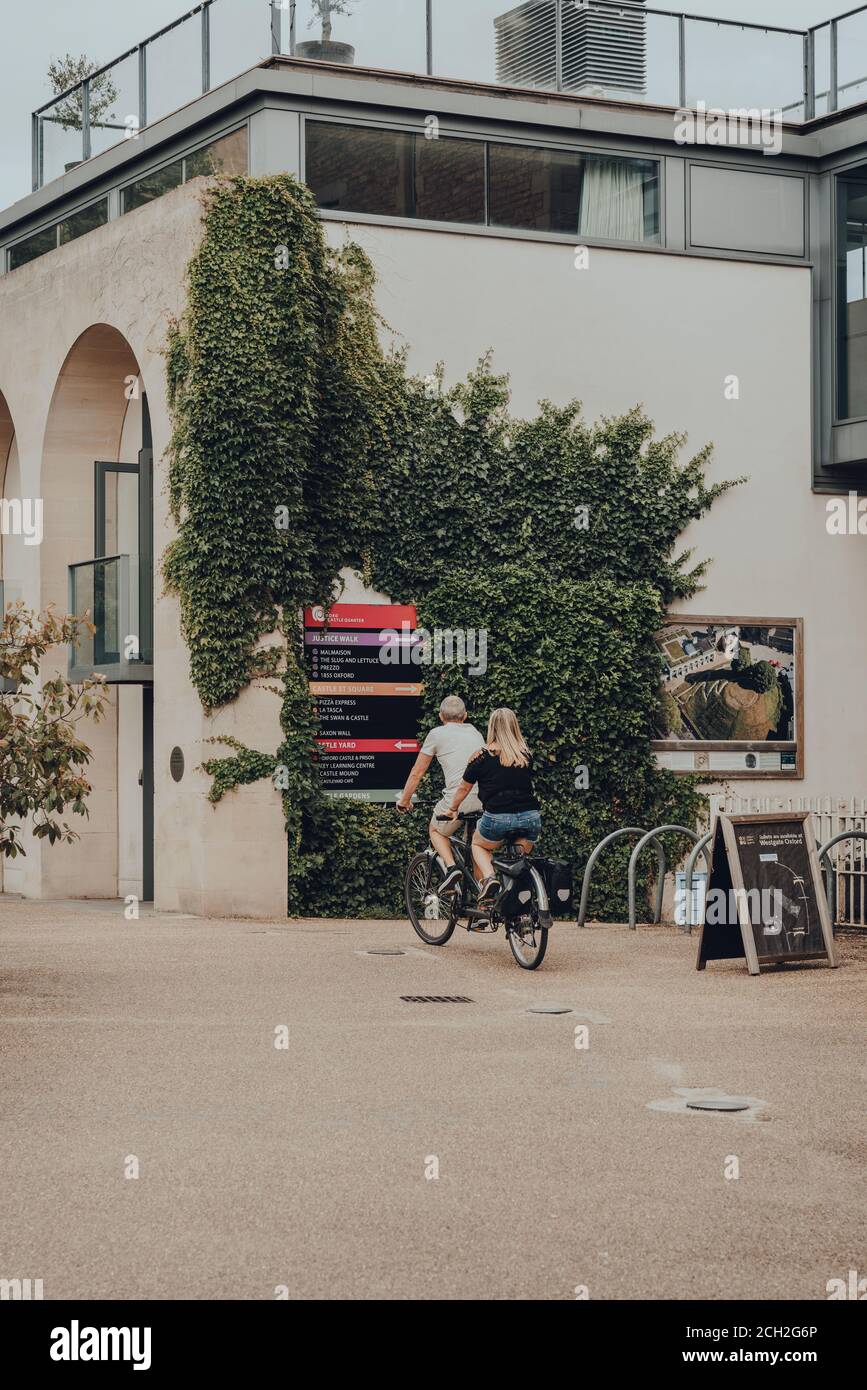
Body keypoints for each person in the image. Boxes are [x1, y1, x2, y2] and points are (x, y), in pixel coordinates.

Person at [446, 707, 541, 905]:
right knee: (517, 865)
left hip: (498, 817)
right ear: (514, 726)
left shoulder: (481, 757)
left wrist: (453, 809)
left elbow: (463, 789)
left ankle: (489, 878)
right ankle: (519, 913)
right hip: (530, 818)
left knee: (478, 845)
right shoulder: (526, 755)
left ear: (491, 727)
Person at [396, 695, 484, 894]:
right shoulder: (475, 732)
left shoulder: (436, 734)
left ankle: (452, 869)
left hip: (458, 800)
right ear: (465, 716)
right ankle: (483, 907)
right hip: (484, 799)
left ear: (441, 716)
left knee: (436, 831)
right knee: (477, 848)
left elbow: (417, 772)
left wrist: (405, 800)